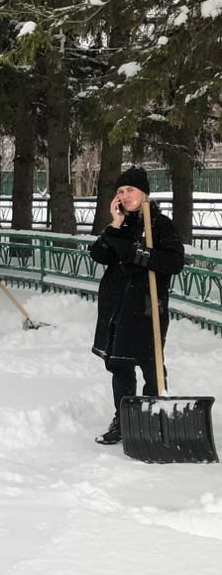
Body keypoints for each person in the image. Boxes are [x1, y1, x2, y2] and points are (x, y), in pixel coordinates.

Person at [89, 166, 184, 446]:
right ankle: (124, 418)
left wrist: (136, 253)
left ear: (144, 193)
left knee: (151, 364)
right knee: (119, 365)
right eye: (120, 191)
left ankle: (155, 417)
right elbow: (98, 254)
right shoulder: (121, 225)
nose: (125, 195)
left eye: (130, 189)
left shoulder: (160, 224)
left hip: (146, 307)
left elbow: (173, 262)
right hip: (117, 306)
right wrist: (115, 225)